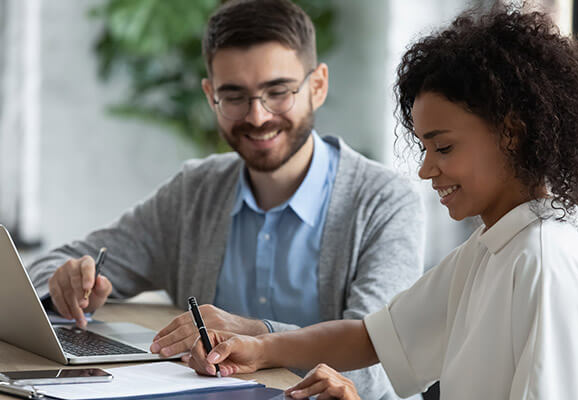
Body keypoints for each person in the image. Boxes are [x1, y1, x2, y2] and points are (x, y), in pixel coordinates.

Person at [183, 5, 578, 400]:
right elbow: (375, 337)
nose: (425, 169)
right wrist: (260, 349)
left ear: (511, 133)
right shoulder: (492, 247)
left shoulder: (542, 259)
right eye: (424, 149)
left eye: (444, 148)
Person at [27, 0, 424, 398]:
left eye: (278, 92)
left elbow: (378, 363)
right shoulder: (193, 192)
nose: (257, 116)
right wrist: (65, 283)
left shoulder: (385, 202)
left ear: (317, 86)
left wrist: (260, 336)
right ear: (210, 95)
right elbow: (46, 269)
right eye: (234, 97)